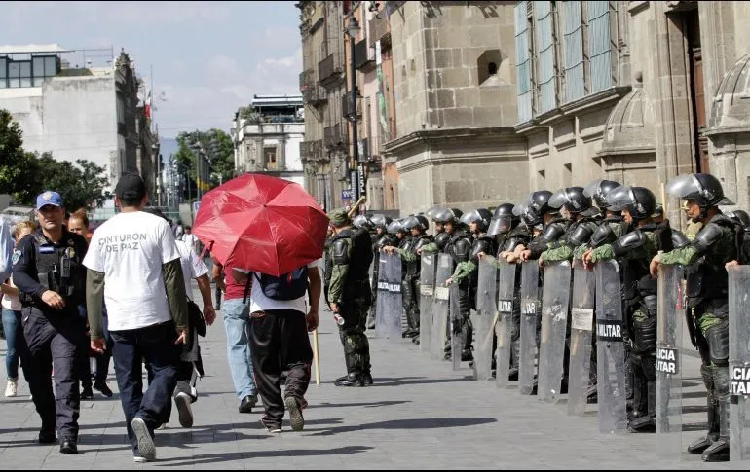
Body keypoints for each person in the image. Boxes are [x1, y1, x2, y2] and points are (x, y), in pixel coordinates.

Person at [83, 173, 189, 463]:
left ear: (116, 201)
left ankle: (139, 447)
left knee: (129, 384)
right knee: (167, 369)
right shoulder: (158, 224)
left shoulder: (103, 231)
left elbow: (93, 283)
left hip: (118, 320)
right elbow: (172, 276)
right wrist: (182, 320)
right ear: (145, 197)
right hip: (154, 315)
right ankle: (148, 416)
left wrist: (95, 329)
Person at [649, 173, 741, 462]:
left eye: (691, 202)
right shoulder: (705, 226)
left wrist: (661, 258)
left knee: (722, 373)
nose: (687, 208)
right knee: (709, 374)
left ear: (705, 202)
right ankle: (714, 432)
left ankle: (730, 436)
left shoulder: (717, 227)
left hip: (719, 310)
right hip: (702, 308)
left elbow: (691, 252)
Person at [12, 191, 89, 454]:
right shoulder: (28, 244)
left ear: (62, 212)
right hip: (35, 318)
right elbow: (19, 275)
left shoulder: (78, 244)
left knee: (66, 376)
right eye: (44, 210)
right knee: (36, 378)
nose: (49, 215)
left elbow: (91, 280)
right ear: (38, 215)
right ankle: (48, 422)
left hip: (68, 320)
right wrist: (42, 291)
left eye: (54, 209)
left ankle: (68, 433)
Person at [142, 207, 216, 429]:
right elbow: (202, 277)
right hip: (183, 311)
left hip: (153, 314)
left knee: (157, 365)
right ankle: (183, 390)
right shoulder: (183, 247)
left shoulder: (142, 250)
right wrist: (209, 305)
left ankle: (158, 414)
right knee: (187, 358)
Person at [232, 257, 320, 433]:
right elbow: (315, 277)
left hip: (261, 312)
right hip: (294, 312)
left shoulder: (254, 243)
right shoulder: (300, 243)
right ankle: (293, 393)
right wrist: (314, 309)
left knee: (265, 367)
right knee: (299, 359)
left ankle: (273, 418)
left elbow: (238, 277)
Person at [67, 210, 113, 399]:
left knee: (105, 340)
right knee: (81, 345)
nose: (76, 232)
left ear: (87, 229)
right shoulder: (66, 249)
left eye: (79, 229)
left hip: (99, 300)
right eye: (72, 229)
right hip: (77, 302)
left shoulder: (96, 246)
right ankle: (86, 385)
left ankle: (100, 379)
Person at [327, 209, 374, 386]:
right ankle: (365, 372)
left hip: (348, 293)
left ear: (333, 224)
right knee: (359, 332)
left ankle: (354, 374)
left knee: (348, 333)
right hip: (363, 290)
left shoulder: (342, 242)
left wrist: (332, 297)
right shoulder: (360, 236)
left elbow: (339, 272)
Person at [210, 258, 259, 413]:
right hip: (258, 300)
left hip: (234, 300)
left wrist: (225, 288)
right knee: (254, 345)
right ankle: (254, 386)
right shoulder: (257, 244)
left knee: (236, 347)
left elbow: (215, 274)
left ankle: (246, 392)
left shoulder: (226, 246)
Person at [1, 220, 35, 397]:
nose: (27, 240)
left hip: (31, 310)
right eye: (23, 236)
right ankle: (12, 380)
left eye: (31, 236)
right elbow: (5, 285)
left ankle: (33, 385)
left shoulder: (37, 256)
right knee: (13, 350)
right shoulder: (8, 258)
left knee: (31, 351)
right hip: (11, 309)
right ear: (16, 239)